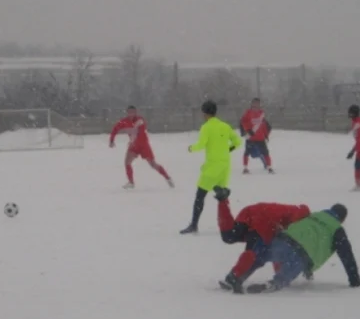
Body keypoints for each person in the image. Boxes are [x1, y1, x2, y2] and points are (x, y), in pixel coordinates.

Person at [245, 203, 360, 293]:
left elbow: (301, 227)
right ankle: (272, 284)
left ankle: (238, 276)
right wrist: (355, 281)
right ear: (342, 219)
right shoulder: (337, 229)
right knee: (285, 275)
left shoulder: (314, 215)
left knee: (260, 257)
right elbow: (347, 256)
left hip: (285, 239)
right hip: (303, 254)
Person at [214, 188, 311, 293]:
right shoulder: (302, 214)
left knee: (229, 235)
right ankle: (234, 277)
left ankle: (222, 200)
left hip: (250, 211)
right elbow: (280, 247)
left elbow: (277, 250)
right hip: (263, 221)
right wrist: (282, 274)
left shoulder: (292, 212)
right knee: (255, 252)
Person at [180, 100, 242, 234]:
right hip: (225, 165)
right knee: (222, 197)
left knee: (200, 196)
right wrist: (227, 150)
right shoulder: (225, 126)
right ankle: (229, 224)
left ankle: (194, 225)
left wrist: (191, 148)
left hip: (212, 166)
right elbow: (237, 142)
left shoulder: (206, 127)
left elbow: (201, 144)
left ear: (205, 113)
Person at [109, 105, 173, 189]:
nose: (131, 114)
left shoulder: (140, 120)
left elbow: (139, 131)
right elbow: (115, 129)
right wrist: (111, 140)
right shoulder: (124, 121)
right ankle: (131, 183)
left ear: (136, 112)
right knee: (127, 162)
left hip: (143, 145)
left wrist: (132, 139)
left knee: (153, 164)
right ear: (127, 112)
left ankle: (168, 178)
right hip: (134, 146)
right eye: (129, 112)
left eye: (133, 112)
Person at [239, 98, 274, 174]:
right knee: (247, 153)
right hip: (250, 137)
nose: (256, 105)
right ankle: (245, 168)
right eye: (254, 103)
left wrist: (266, 135)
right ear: (252, 104)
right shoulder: (248, 113)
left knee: (265, 153)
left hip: (260, 138)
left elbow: (265, 126)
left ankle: (269, 167)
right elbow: (242, 122)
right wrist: (245, 132)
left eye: (258, 103)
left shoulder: (261, 113)